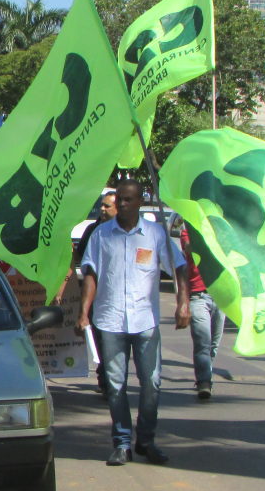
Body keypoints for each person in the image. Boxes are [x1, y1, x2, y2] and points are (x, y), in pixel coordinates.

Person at [78, 179, 189, 467]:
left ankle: (147, 440)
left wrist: (183, 303)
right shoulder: (102, 235)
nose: (124, 205)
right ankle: (122, 443)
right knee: (115, 385)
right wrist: (83, 311)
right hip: (110, 319)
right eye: (120, 200)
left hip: (145, 321)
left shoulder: (155, 234)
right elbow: (91, 273)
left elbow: (178, 266)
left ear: (140, 201)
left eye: (129, 200)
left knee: (151, 383)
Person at [72, 190, 116, 395]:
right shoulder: (93, 230)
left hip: (120, 301)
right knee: (102, 342)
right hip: (97, 299)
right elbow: (82, 260)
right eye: (102, 205)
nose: (102, 209)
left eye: (107, 206)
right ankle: (106, 380)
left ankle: (113, 379)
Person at [180, 224, 224, 401]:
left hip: (221, 295)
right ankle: (204, 381)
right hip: (198, 296)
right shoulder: (188, 231)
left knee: (214, 343)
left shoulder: (222, 228)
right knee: (202, 341)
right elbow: (190, 248)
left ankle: (207, 371)